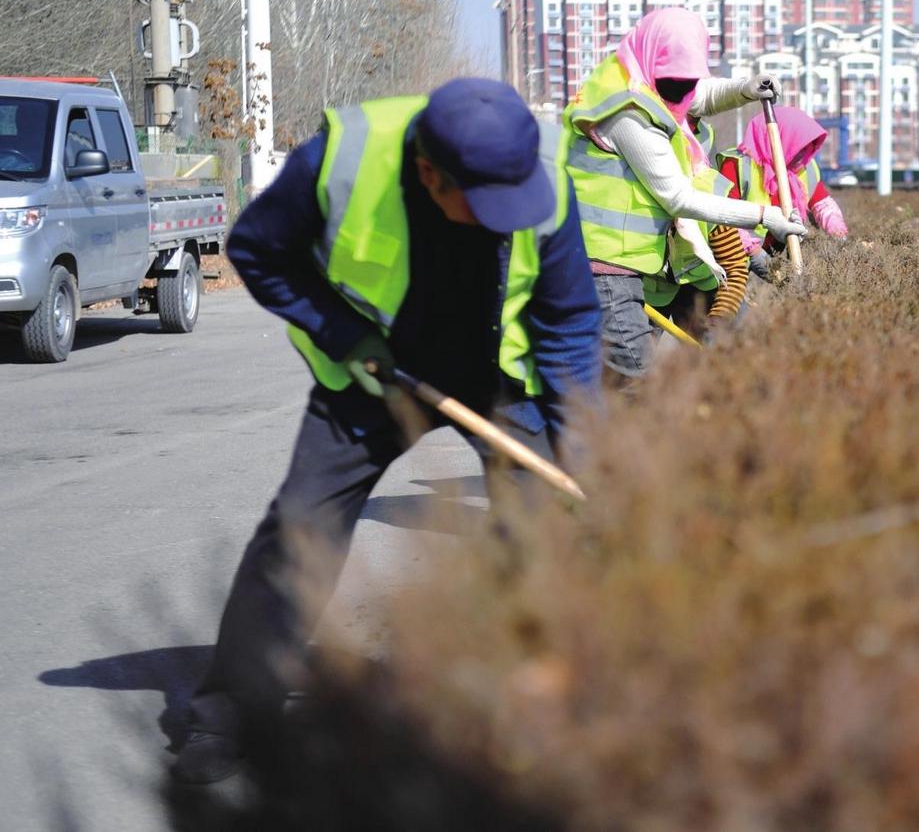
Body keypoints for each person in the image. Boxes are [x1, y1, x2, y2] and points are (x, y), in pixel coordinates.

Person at [172, 78, 602, 784]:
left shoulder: (544, 176)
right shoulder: (341, 160)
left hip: (498, 373)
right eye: (486, 206)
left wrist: (583, 446)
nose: (506, 220)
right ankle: (230, 711)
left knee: (540, 524)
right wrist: (344, 334)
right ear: (431, 173)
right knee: (300, 528)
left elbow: (569, 321)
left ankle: (530, 709)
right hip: (377, 374)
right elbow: (257, 250)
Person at [564, 8, 806, 379]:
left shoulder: (642, 72)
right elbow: (677, 197)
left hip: (647, 260)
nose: (682, 95)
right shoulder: (628, 110)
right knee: (632, 375)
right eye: (674, 83)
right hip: (606, 259)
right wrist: (763, 216)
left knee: (637, 374)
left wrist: (743, 89)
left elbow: (697, 94)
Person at [717, 105, 847, 276]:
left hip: (782, 253)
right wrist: (754, 253)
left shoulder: (804, 169)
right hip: (738, 256)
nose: (803, 155)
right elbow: (724, 217)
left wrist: (839, 236)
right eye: (799, 147)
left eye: (807, 148)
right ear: (782, 140)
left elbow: (824, 205)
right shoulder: (738, 166)